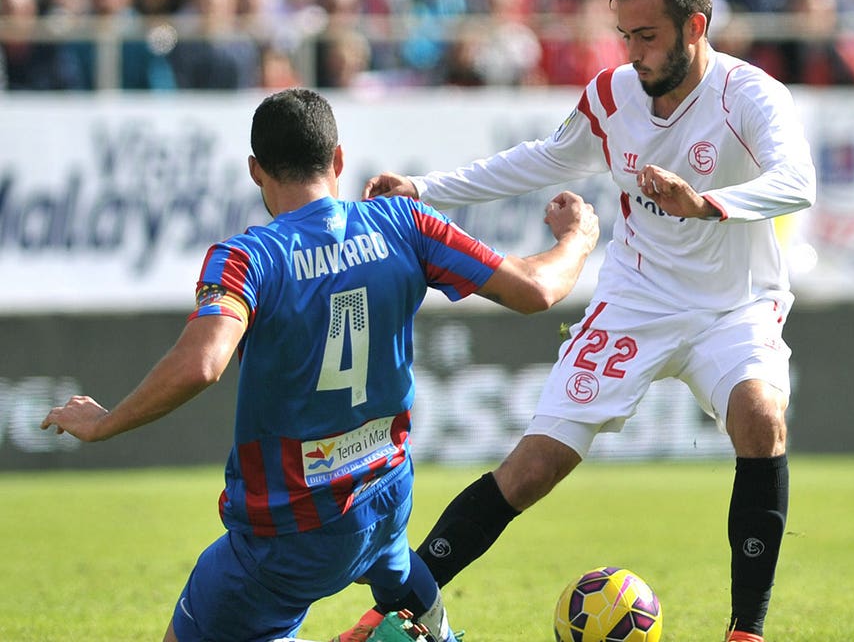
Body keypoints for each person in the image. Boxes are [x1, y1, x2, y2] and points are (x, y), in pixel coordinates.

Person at [351, 0, 816, 642]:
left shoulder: (749, 96)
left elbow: (797, 183)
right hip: (637, 300)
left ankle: (745, 631)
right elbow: (540, 158)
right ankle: (390, 609)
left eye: (647, 36)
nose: (632, 53)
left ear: (696, 25)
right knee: (534, 466)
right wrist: (426, 188)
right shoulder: (611, 96)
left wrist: (707, 204)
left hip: (734, 305)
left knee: (761, 419)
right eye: (624, 35)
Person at [41, 88, 599, 642]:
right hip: (384, 502)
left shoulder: (246, 258)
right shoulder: (406, 224)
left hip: (285, 535)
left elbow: (203, 363)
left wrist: (104, 421)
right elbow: (536, 289)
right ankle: (430, 629)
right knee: (397, 567)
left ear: (257, 171)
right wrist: (578, 238)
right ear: (338, 159)